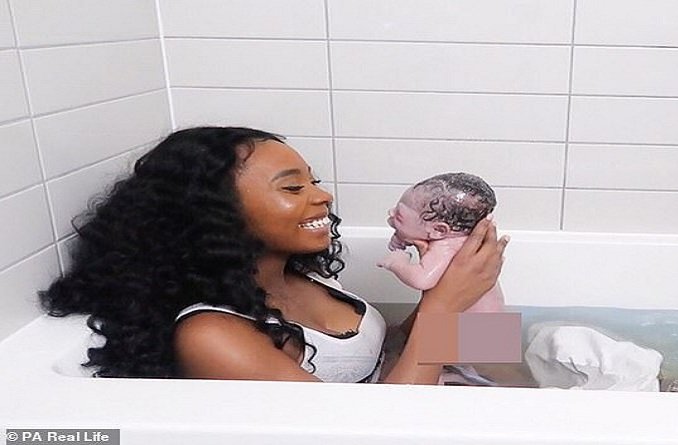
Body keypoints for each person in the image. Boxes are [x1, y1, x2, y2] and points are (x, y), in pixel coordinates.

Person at [39, 127, 508, 384]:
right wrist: (443, 304)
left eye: (313, 180)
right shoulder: (212, 336)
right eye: (292, 188)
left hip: (433, 397)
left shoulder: (304, 277)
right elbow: (373, 433)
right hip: (406, 424)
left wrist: (459, 293)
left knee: (546, 353)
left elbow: (396, 351)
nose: (323, 196)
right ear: (216, 213)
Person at [378, 172, 505, 313]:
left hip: (470, 326)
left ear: (438, 230)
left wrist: (396, 263)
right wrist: (402, 235)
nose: (391, 212)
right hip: (492, 323)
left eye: (399, 215)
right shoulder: (463, 241)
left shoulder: (445, 248)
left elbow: (422, 280)